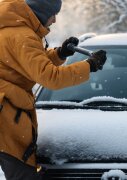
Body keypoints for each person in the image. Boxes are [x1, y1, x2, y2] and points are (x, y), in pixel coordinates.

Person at [0, 0, 107, 179]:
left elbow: (27, 64)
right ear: (40, 13)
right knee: (23, 175)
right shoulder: (22, 36)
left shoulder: (12, 30)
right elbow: (51, 78)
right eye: (53, 14)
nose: (55, 20)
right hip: (7, 115)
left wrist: (60, 54)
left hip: (7, 108)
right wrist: (89, 66)